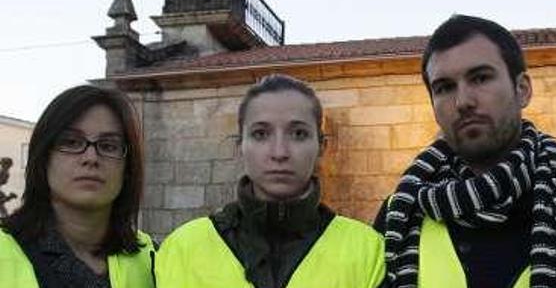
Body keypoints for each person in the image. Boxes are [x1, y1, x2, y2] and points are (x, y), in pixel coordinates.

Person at [375, 14, 556, 288]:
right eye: (444, 87)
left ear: (522, 90)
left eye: (480, 78)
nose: (463, 101)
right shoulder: (402, 215)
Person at [156, 74, 385, 288]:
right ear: (240, 147)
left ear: (321, 147)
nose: (279, 152)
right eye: (261, 134)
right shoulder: (183, 248)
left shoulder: (367, 250)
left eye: (298, 134)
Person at [0, 85, 156, 288]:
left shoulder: (153, 259)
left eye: (108, 146)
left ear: (127, 168)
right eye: (72, 142)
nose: (91, 158)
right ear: (44, 157)